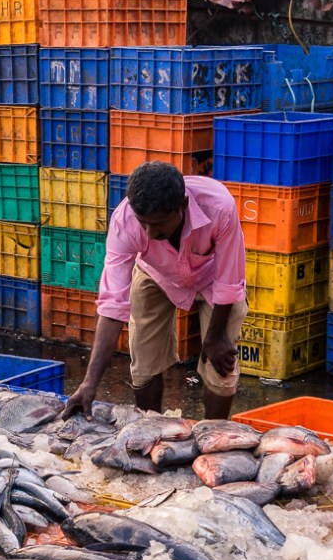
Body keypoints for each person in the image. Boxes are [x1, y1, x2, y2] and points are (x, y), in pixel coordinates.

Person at [62, 161, 249, 421]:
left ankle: (213, 435)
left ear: (181, 207)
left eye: (159, 224)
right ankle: (150, 430)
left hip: (212, 275)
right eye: (144, 224)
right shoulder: (124, 221)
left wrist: (216, 336)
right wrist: (89, 383)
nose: (150, 232)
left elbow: (230, 281)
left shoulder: (219, 207)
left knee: (221, 364)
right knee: (144, 357)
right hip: (155, 272)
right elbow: (113, 305)